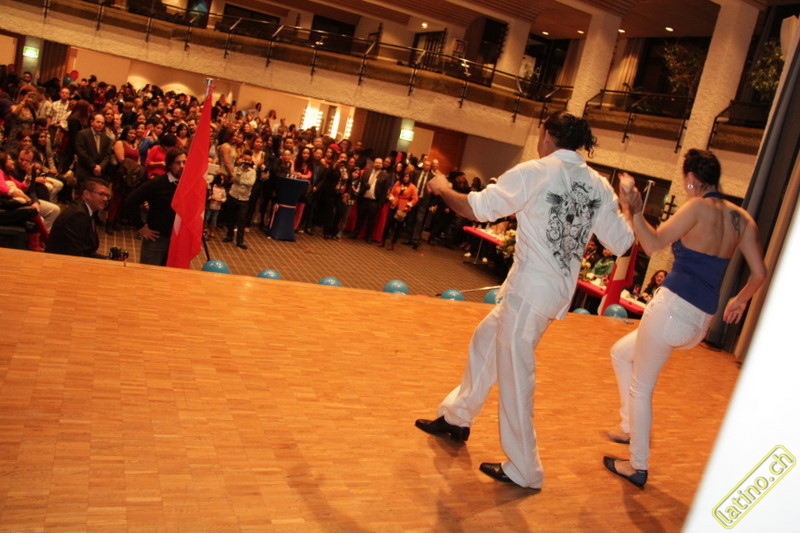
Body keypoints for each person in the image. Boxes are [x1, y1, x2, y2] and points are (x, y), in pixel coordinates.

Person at [414, 111, 634, 489]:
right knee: (486, 341)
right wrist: (631, 207)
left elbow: (474, 208)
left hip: (531, 292)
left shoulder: (535, 171)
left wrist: (443, 187)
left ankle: (525, 468)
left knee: (516, 376)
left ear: (547, 136)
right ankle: (456, 417)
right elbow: (623, 242)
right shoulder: (597, 184)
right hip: (548, 292)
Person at [604, 149, 767, 488]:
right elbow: (760, 273)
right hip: (700, 321)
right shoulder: (742, 219)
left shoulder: (695, 208)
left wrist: (634, 211)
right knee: (621, 353)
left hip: (672, 309)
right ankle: (630, 426)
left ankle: (637, 465)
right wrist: (740, 299)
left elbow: (652, 244)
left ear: (692, 179)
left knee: (641, 388)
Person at [124, 148, 186, 266]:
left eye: (184, 162)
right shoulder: (158, 183)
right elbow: (131, 201)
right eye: (178, 163)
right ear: (169, 165)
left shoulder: (188, 185)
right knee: (149, 273)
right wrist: (140, 227)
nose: (182, 166)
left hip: (178, 240)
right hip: (157, 239)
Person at [45, 178, 110, 258]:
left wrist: (108, 259)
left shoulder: (85, 211)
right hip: (59, 261)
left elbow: (86, 251)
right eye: (101, 194)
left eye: (107, 195)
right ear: (87, 194)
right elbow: (76, 255)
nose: (105, 199)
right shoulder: (78, 215)